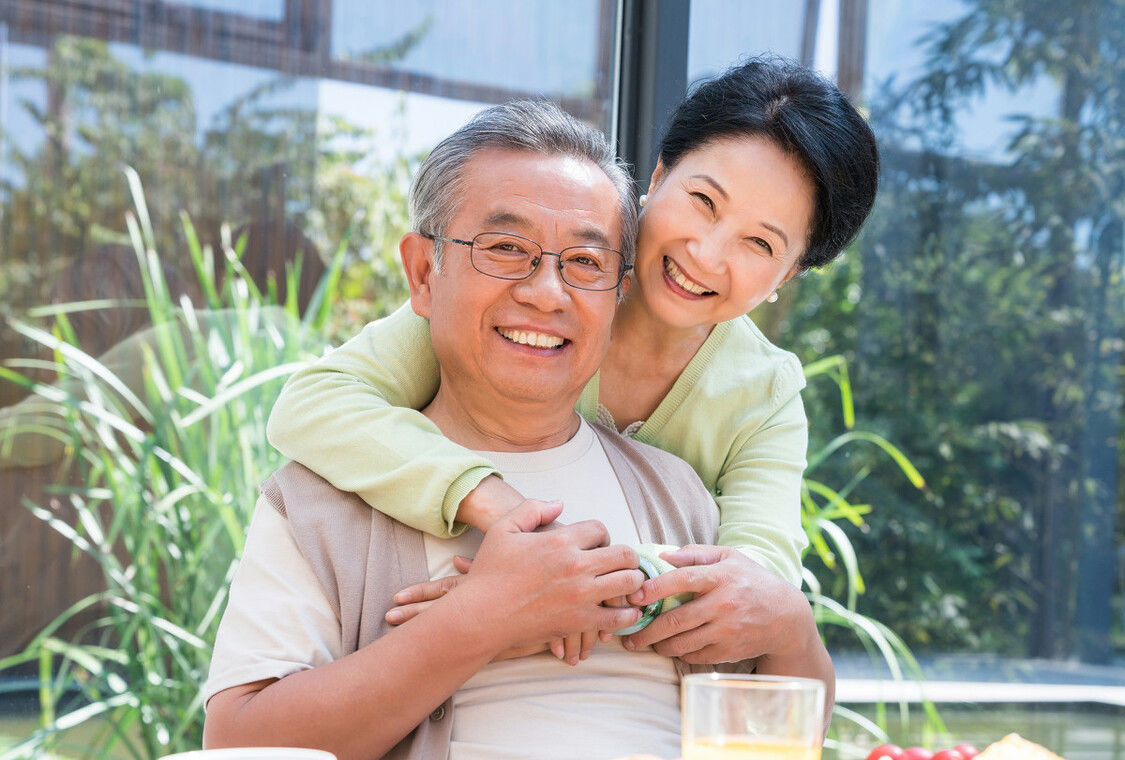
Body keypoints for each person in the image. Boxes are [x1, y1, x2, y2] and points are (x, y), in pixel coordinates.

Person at [202, 101, 830, 760]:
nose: (546, 292)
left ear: (617, 291)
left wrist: (788, 620)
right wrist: (482, 620)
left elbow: (772, 716)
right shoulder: (320, 499)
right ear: (422, 273)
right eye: (506, 249)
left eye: (587, 263)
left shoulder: (683, 493)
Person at [266, 57, 878, 669]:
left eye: (760, 243)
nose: (706, 254)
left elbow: (753, 589)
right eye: (702, 201)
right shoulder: (530, 302)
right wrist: (495, 507)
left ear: (789, 273)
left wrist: (542, 601)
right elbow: (312, 405)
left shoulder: (763, 395)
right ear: (658, 176)